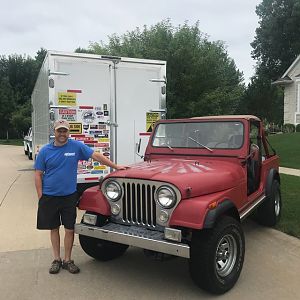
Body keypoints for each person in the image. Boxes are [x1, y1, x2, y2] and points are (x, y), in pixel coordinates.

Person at [34, 119, 129, 274]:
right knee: (54, 228)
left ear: (68, 132)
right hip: (50, 196)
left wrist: (115, 166)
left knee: (70, 229)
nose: (62, 134)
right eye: (59, 131)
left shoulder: (76, 146)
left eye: (65, 131)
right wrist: (40, 196)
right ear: (54, 132)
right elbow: (38, 174)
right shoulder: (45, 151)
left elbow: (96, 156)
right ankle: (56, 259)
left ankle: (67, 260)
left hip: (69, 196)